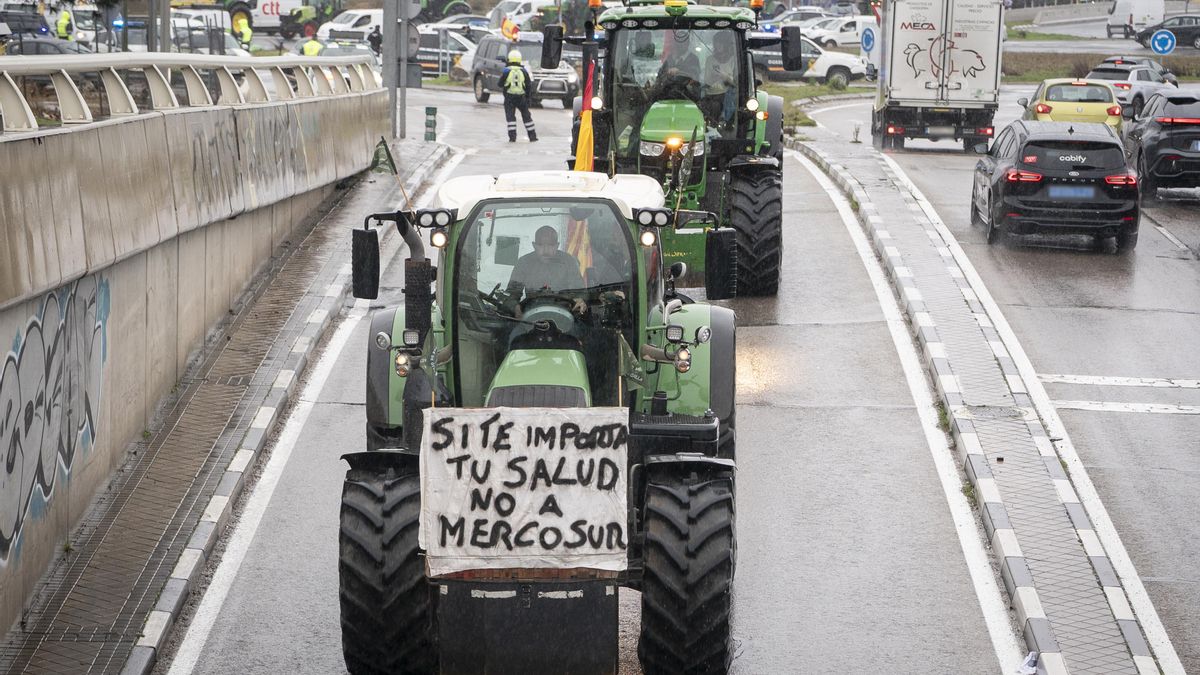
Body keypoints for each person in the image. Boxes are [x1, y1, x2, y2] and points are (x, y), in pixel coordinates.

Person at [506, 226, 583, 303]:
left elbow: (579, 291)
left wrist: (580, 300)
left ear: (557, 246)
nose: (546, 250)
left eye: (550, 245)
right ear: (534, 245)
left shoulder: (568, 261)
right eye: (541, 245)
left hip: (563, 311)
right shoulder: (524, 263)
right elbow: (512, 294)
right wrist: (515, 307)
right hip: (531, 310)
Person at [499, 49, 538, 143]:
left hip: (509, 97)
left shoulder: (506, 71)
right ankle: (532, 137)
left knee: (510, 118)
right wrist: (528, 98)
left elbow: (500, 84)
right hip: (521, 97)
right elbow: (528, 85)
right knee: (527, 117)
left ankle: (512, 138)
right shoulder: (524, 71)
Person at [702, 31, 738, 127]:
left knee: (719, 105)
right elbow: (706, 81)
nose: (718, 45)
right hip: (711, 94)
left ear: (726, 44)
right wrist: (713, 77)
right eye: (716, 42)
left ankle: (725, 125)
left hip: (727, 94)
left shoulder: (733, 60)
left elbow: (736, 82)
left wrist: (725, 77)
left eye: (721, 42)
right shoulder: (710, 60)